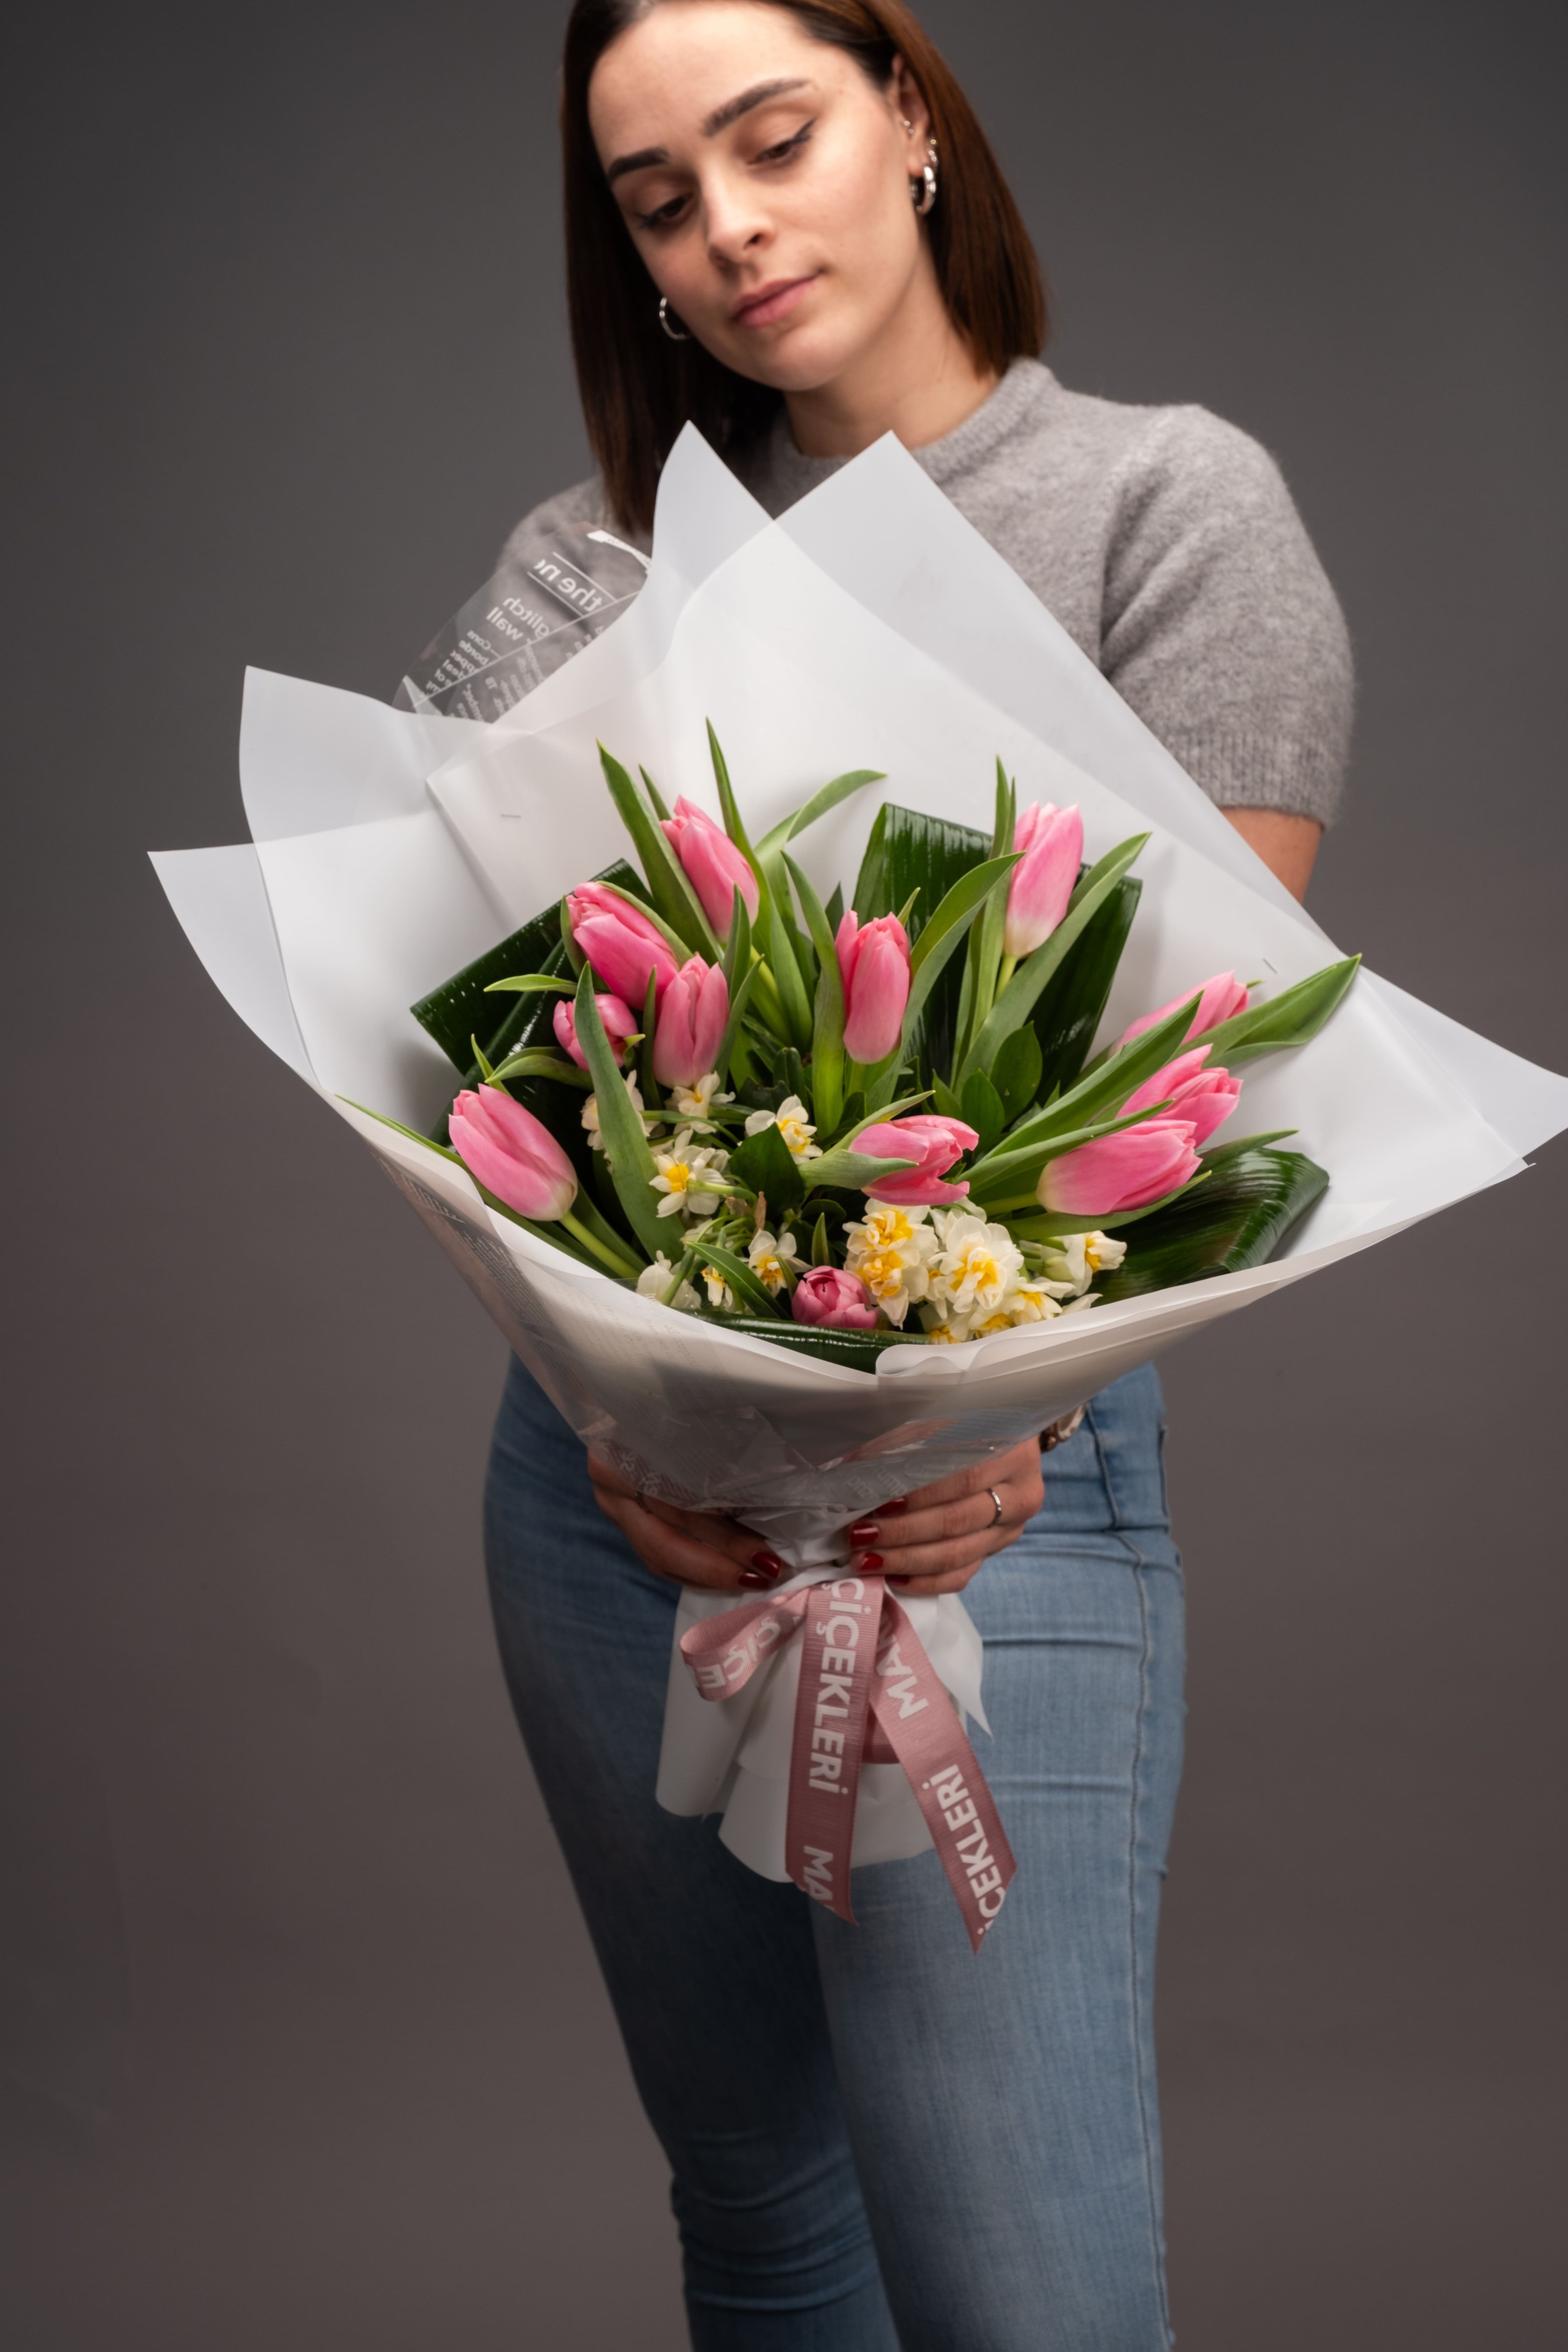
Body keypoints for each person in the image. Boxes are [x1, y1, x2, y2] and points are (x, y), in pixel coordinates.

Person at [483, 5, 1352, 2345]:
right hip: (612, 1511)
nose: (733, 225)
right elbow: (454, 1052)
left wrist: (992, 1421)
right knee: (767, 2218)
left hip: (996, 1499)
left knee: (1020, 2290)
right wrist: (620, 1419)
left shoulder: (1168, 502)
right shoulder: (595, 568)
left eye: (773, 138)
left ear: (914, 119)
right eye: (662, 199)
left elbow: (1200, 1076)